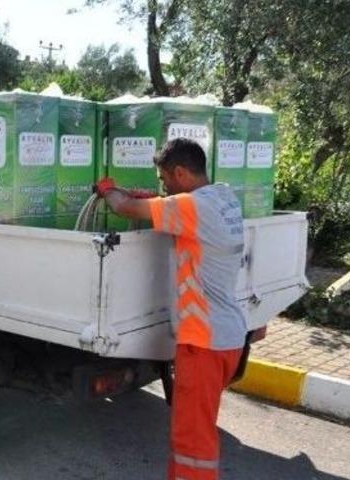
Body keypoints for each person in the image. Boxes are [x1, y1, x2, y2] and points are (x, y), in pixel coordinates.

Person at [96, 138, 246, 480]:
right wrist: (157, 199)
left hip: (203, 343)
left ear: (180, 172)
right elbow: (173, 206)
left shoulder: (193, 208)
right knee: (193, 429)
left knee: (193, 441)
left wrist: (108, 190)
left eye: (165, 179)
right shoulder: (222, 198)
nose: (163, 185)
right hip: (228, 336)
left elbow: (124, 209)